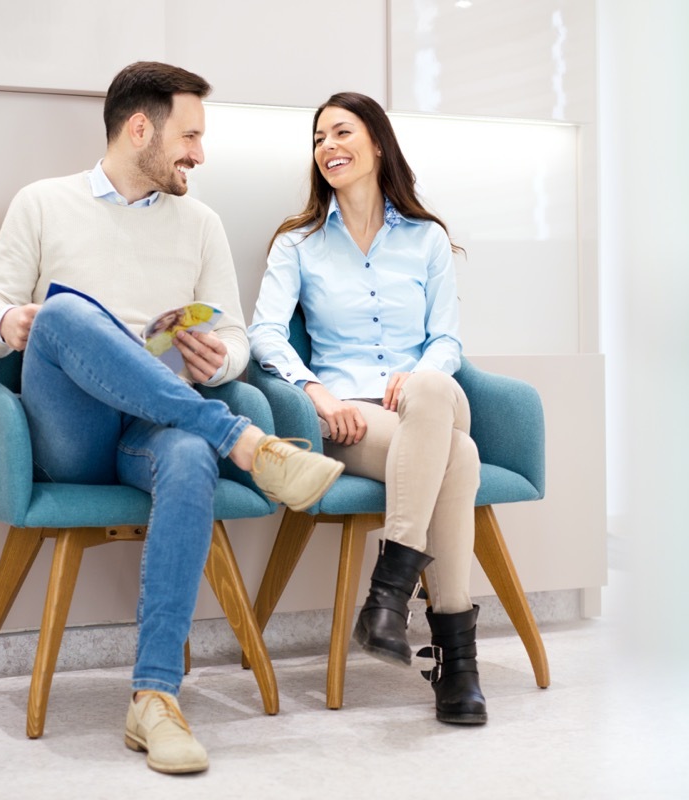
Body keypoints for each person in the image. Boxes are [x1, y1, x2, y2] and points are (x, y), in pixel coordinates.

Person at [0, 62, 343, 774]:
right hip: (73, 431)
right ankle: (249, 443)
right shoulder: (43, 203)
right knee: (68, 312)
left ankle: (155, 699)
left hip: (158, 426)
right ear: (140, 128)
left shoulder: (200, 222)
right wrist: (15, 320)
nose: (200, 153)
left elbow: (235, 337)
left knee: (191, 454)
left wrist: (219, 361)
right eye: (190, 134)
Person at [248, 92, 486, 725]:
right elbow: (265, 333)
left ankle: (390, 593)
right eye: (319, 138)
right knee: (459, 459)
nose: (328, 146)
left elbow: (448, 341)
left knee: (433, 390)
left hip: (425, 399)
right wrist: (316, 393)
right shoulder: (297, 244)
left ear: (377, 143)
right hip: (350, 418)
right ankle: (457, 665)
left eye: (342, 132)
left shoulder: (428, 239)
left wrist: (418, 378)